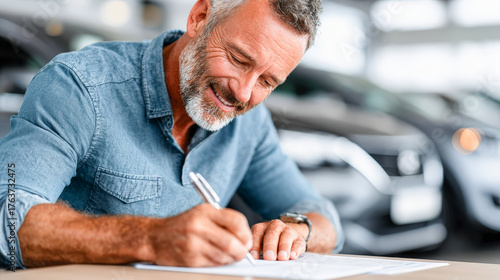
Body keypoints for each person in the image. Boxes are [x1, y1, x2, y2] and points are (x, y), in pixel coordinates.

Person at [0, 0, 344, 269]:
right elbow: (7, 218)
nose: (243, 93)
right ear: (199, 17)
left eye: (268, 82)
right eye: (239, 59)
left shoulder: (249, 125)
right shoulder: (79, 87)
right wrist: (151, 239)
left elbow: (325, 219)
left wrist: (296, 232)